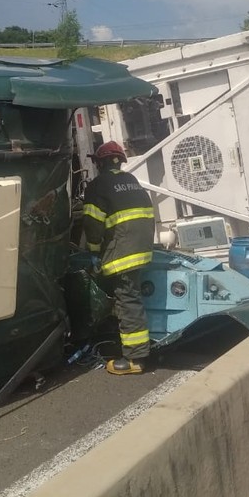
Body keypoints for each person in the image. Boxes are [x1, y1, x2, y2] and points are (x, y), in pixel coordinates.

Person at [82, 141, 154, 375]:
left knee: (127, 300)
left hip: (123, 252)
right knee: (131, 297)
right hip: (141, 248)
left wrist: (94, 252)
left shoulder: (98, 186)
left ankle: (135, 359)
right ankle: (134, 348)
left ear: (100, 163)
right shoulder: (131, 181)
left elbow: (93, 224)